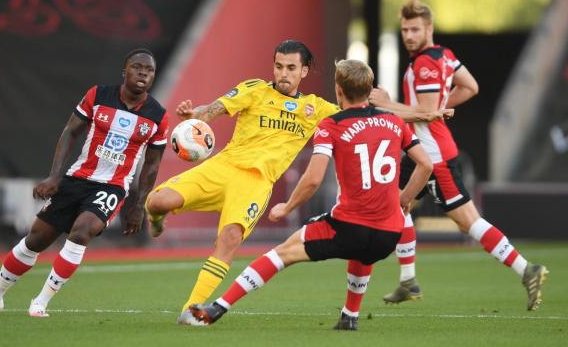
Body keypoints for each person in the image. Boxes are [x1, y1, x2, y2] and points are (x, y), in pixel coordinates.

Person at [146, 40, 444, 325]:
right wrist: (194, 114)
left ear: (304, 72)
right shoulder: (255, 89)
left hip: (256, 182)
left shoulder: (317, 109)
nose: (282, 74)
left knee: (230, 238)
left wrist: (425, 114)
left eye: (290, 68)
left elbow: (363, 111)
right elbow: (215, 108)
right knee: (157, 202)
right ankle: (157, 220)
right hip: (221, 168)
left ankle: (190, 310)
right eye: (278, 66)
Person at [0, 49, 169, 317]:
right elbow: (70, 132)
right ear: (124, 71)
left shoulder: (157, 115)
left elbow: (152, 164)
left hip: (112, 186)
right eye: (137, 67)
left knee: (82, 231)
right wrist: (55, 176)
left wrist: (139, 204)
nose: (143, 73)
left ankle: (41, 301)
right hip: (77, 178)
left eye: (149, 70)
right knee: (36, 240)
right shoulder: (98, 95)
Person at [369, 0, 548, 310]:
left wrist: (385, 103)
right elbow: (470, 87)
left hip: (433, 156)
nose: (408, 35)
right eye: (404, 30)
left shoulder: (425, 63)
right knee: (396, 204)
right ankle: (408, 280)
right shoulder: (445, 56)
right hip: (419, 152)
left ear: (429, 29)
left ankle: (527, 270)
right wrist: (439, 106)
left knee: (468, 223)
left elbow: (423, 114)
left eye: (414, 29)